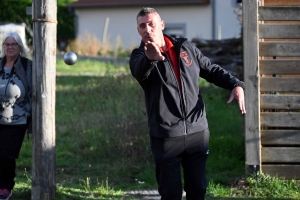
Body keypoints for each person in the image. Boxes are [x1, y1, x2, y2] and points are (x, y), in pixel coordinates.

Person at [129, 7, 246, 200]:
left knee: (197, 190)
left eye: (151, 24)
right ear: (138, 30)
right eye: (142, 26)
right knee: (171, 194)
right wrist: (151, 60)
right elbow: (139, 70)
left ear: (161, 25)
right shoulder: (139, 56)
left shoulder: (185, 47)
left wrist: (235, 84)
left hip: (197, 132)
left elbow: (210, 69)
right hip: (166, 136)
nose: (147, 29)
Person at [0, 32, 32, 200]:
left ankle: (5, 187)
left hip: (17, 119)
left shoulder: (27, 66)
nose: (10, 47)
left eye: (14, 44)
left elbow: (35, 91)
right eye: (7, 44)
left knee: (6, 154)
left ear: (19, 47)